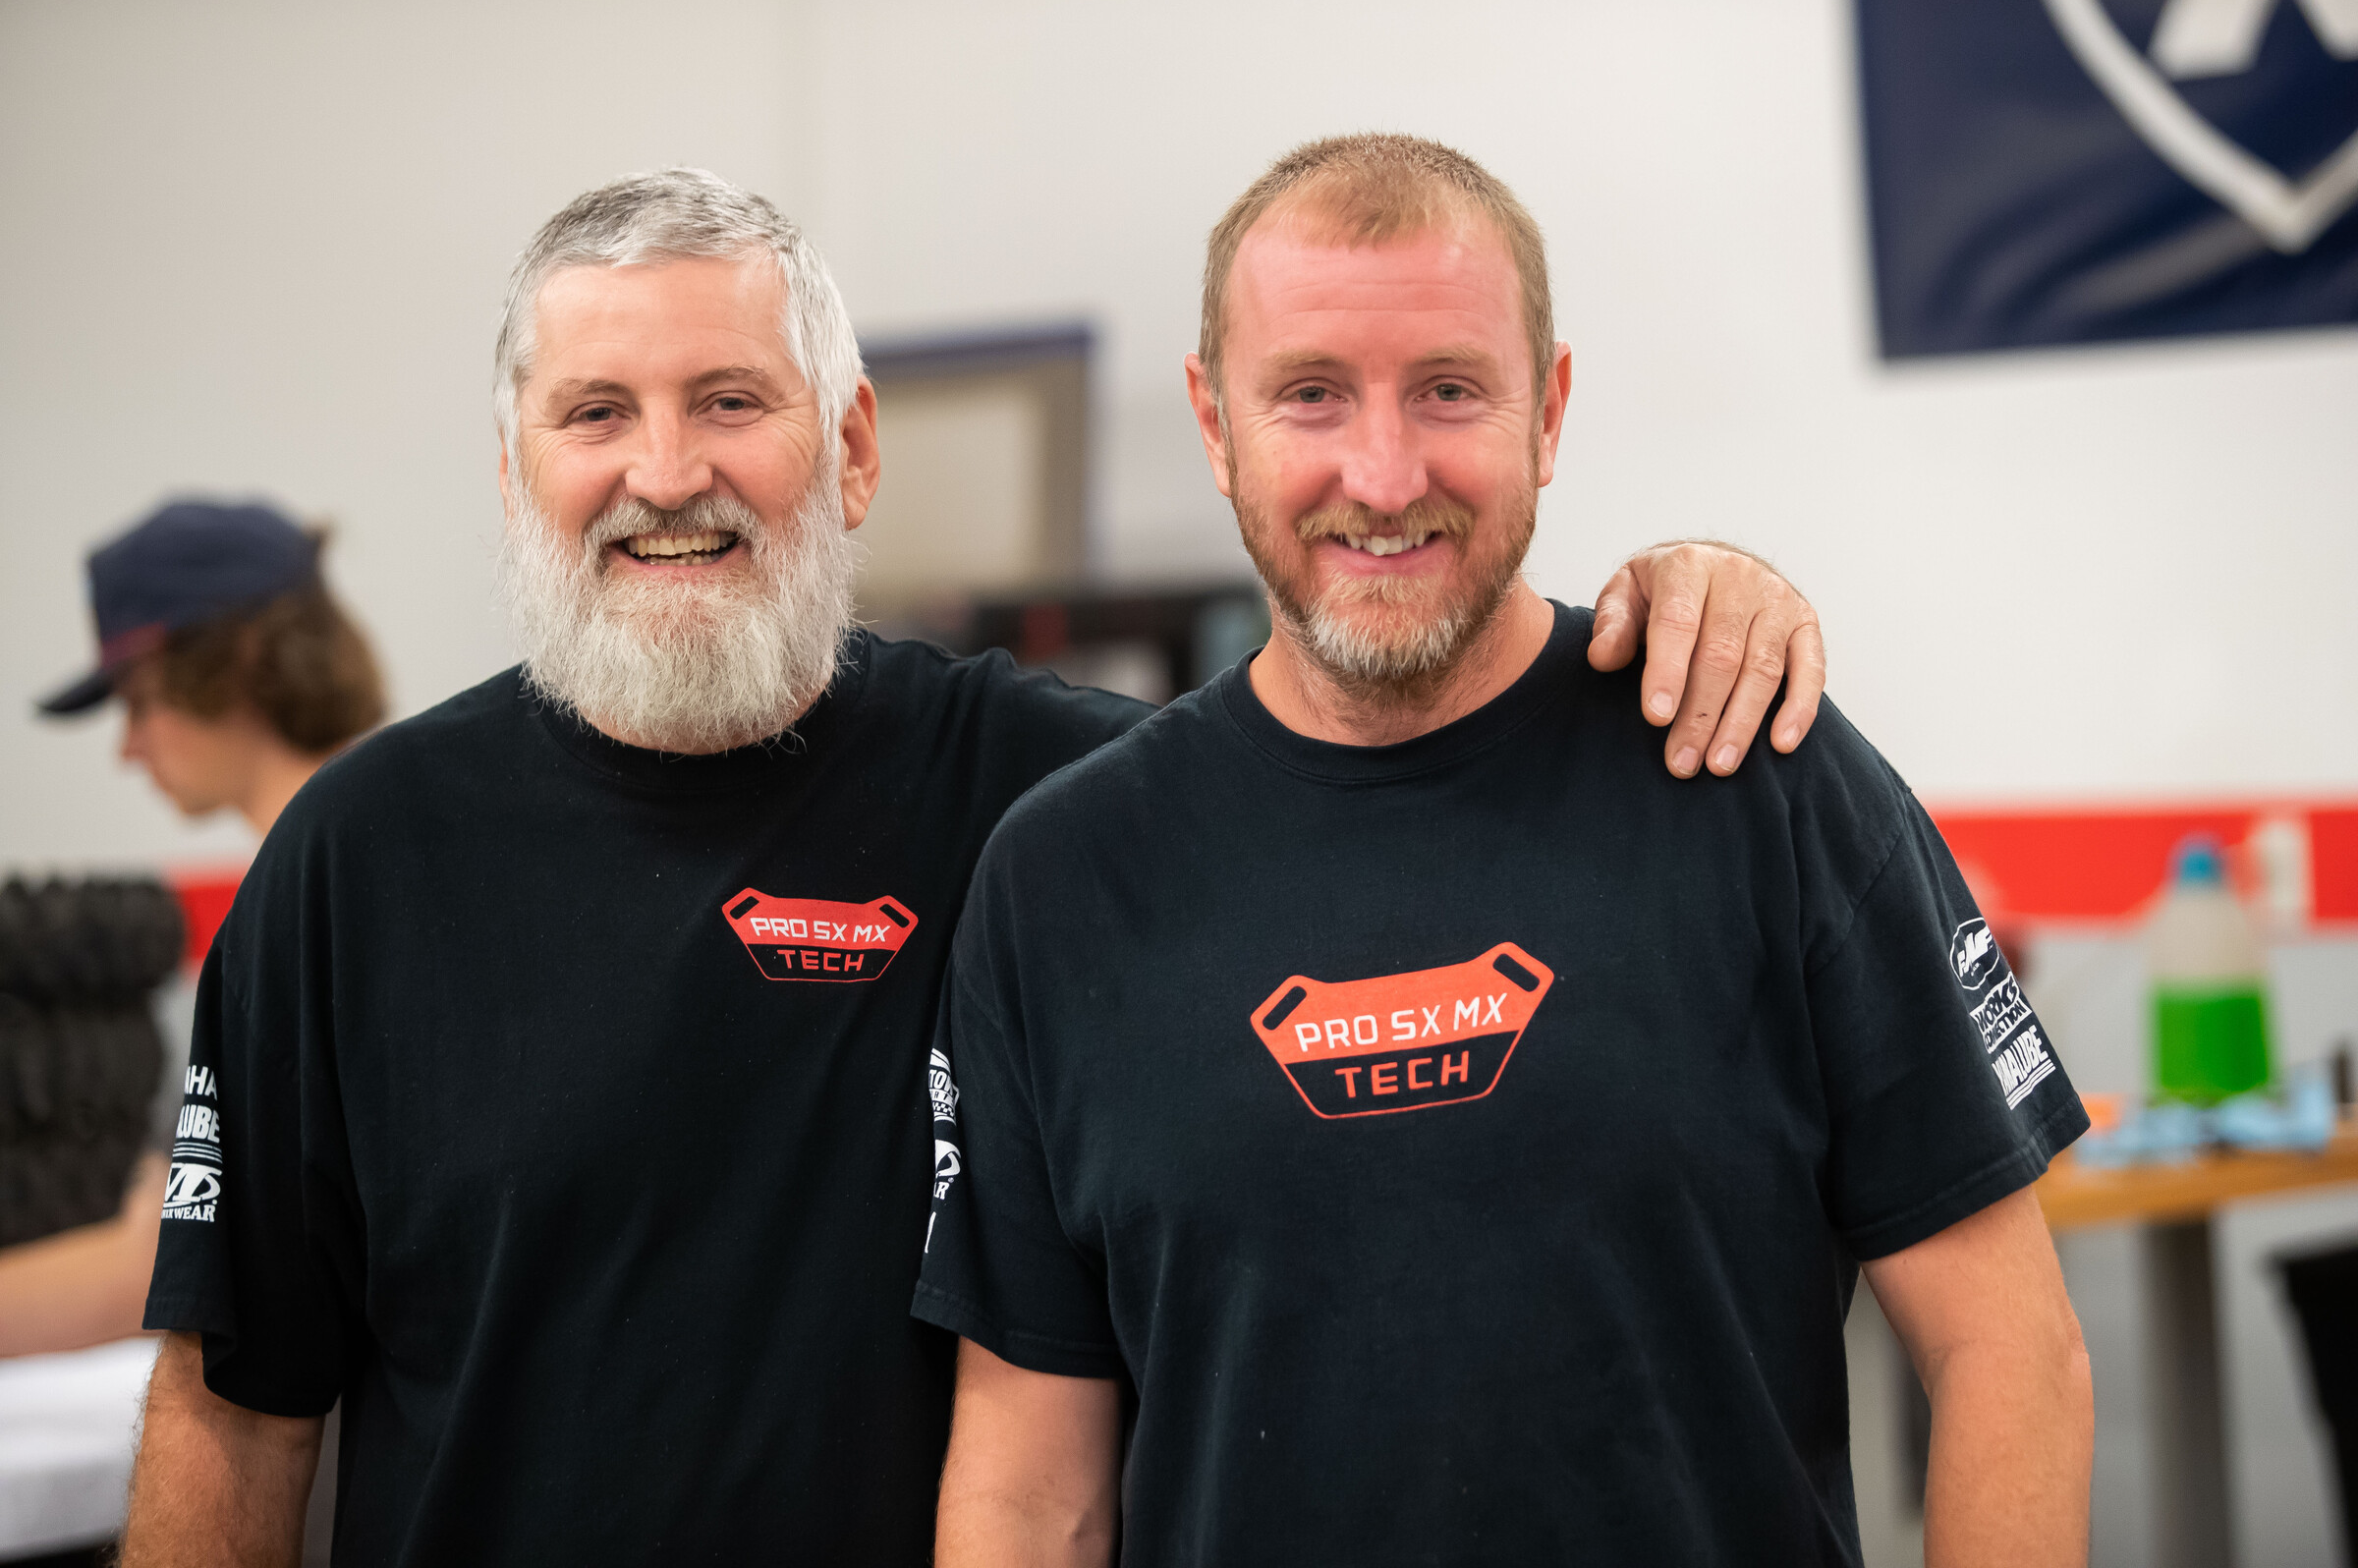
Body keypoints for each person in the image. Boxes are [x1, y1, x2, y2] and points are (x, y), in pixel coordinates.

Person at [121, 169, 1827, 1566]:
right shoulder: (356, 867)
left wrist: (1690, 590)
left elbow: (1388, 727)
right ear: (517, 473)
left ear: (852, 450)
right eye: (594, 414)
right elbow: (233, 1406)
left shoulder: (1072, 809)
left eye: (732, 401)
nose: (665, 473)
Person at [918, 135, 2095, 1567]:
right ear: (1214, 424)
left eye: (1450, 391)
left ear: (1550, 409)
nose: (1384, 470)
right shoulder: (1060, 882)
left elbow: (2010, 1359)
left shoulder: (1753, 773)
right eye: (1310, 395)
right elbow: (1033, 1492)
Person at [1, 502, 383, 1361]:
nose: (127, 748)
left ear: (239, 659)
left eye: (138, 700)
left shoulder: (331, 900)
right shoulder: (353, 864)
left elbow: (166, 1263)